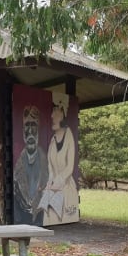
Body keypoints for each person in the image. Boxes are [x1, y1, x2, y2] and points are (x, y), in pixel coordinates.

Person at [38, 93, 80, 225]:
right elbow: (50, 167)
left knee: (59, 214)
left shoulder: (69, 135)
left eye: (55, 112)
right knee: (46, 212)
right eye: (52, 112)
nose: (52, 116)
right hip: (53, 188)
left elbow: (69, 167)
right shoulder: (52, 139)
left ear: (63, 114)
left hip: (66, 189)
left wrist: (58, 181)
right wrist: (50, 182)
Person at [13, 105, 49, 225]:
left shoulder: (46, 161)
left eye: (33, 125)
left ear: (38, 128)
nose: (29, 131)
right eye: (26, 126)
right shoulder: (19, 165)